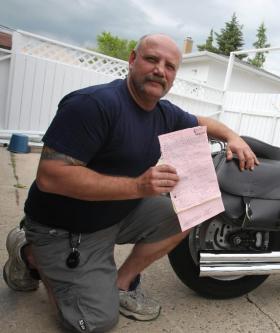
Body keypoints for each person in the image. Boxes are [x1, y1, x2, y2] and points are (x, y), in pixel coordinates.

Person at [3, 33, 258, 332]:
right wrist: (139, 187)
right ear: (133, 60)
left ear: (174, 77)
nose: (160, 70)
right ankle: (29, 251)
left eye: (170, 66)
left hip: (114, 214)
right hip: (63, 228)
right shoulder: (93, 105)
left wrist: (233, 137)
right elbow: (50, 176)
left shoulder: (163, 113)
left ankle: (121, 284)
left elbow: (202, 121)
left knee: (194, 208)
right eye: (152, 59)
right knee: (94, 322)